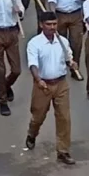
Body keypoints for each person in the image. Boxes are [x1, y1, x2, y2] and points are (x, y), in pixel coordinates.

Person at [26, 11, 75, 164]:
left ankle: (63, 151)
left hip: (61, 83)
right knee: (38, 116)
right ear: (41, 25)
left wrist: (72, 64)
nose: (52, 27)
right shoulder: (34, 43)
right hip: (43, 85)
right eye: (49, 24)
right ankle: (32, 133)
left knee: (64, 118)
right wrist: (38, 79)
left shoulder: (63, 42)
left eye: (54, 24)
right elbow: (33, 64)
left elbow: (68, 58)